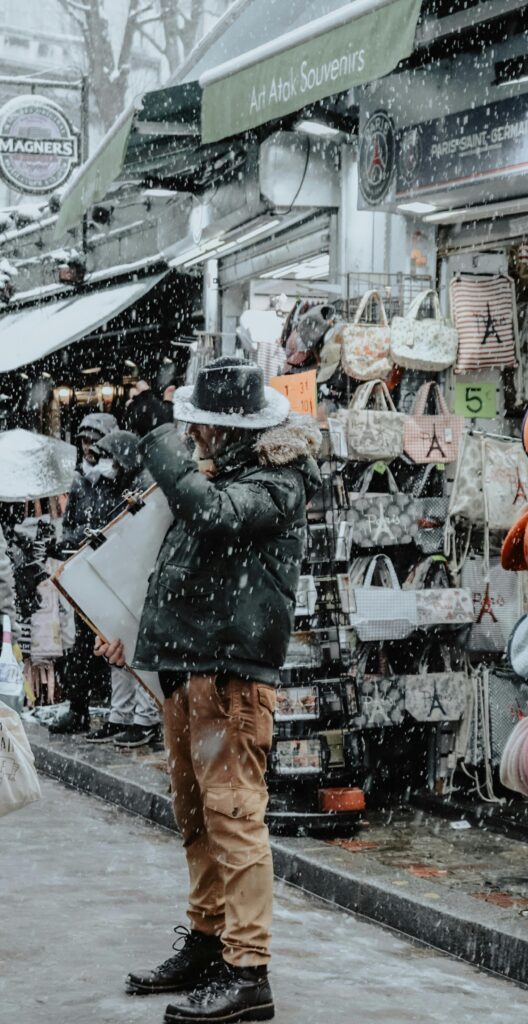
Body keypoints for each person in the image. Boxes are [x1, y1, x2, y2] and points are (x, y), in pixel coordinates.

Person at [96, 357, 321, 1024]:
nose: (189, 433)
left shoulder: (276, 481)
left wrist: (159, 441)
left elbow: (216, 516)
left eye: (197, 424)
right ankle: (207, 938)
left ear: (228, 429)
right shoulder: (214, 473)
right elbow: (160, 556)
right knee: (195, 816)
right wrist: (124, 628)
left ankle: (248, 972)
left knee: (233, 819)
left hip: (231, 677)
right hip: (187, 670)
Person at [82, 430, 162, 749]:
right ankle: (123, 714)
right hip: (125, 573)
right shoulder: (122, 482)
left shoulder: (142, 482)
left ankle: (144, 717)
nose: (107, 465)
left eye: (112, 458)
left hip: (138, 574)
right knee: (119, 648)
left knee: (135, 647)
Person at [51, 411, 119, 734]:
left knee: (111, 641)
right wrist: (72, 539)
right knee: (81, 642)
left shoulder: (119, 478)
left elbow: (121, 524)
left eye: (93, 440)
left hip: (111, 571)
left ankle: (118, 711)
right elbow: (71, 527)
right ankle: (79, 709)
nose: (87, 446)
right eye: (83, 440)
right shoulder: (79, 480)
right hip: (84, 570)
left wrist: (100, 533)